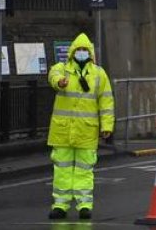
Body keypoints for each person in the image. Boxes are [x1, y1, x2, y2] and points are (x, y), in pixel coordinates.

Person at [46, 33, 113, 220]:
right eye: (78, 50)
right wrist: (60, 82)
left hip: (86, 130)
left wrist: (107, 125)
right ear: (72, 52)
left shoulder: (99, 74)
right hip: (63, 131)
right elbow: (52, 75)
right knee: (62, 169)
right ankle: (60, 205)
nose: (81, 52)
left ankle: (84, 205)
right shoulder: (63, 69)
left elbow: (106, 101)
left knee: (85, 169)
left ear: (90, 53)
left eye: (84, 50)